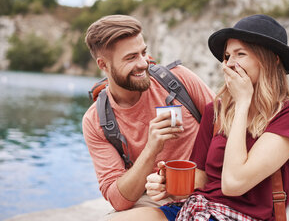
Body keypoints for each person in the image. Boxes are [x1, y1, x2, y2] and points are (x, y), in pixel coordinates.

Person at [110, 14, 289, 221]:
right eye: (227, 56)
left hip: (245, 216)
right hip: (199, 207)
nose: (229, 64)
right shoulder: (215, 110)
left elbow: (234, 183)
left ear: (272, 58)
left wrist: (243, 103)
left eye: (240, 54)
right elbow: (202, 176)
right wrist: (169, 183)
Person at [82, 14, 214, 212]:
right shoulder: (96, 120)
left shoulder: (178, 80)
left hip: (209, 189)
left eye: (143, 52)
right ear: (103, 65)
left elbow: (228, 126)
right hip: (157, 200)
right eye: (131, 57)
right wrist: (152, 148)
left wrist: (199, 178)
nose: (143, 63)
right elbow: (118, 199)